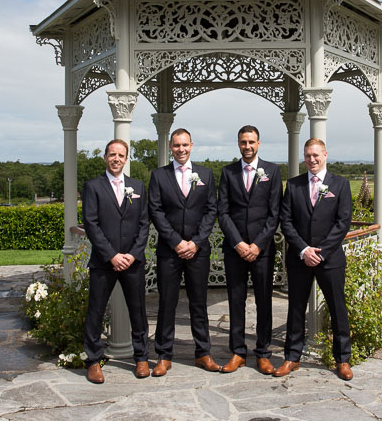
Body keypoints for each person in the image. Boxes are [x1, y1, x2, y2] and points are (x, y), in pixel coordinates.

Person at [275, 137, 354, 380]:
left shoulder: (339, 184)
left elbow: (343, 222)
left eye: (316, 155)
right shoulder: (294, 185)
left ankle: (343, 360)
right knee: (295, 308)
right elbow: (286, 221)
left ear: (325, 155)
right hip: (299, 258)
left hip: (329, 259)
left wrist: (320, 252)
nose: (312, 160)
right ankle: (292, 357)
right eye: (308, 155)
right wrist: (303, 250)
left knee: (337, 308)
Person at [148, 128, 220, 375]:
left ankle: (203, 353)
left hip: (198, 251)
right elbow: (156, 211)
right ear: (170, 147)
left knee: (199, 303)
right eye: (176, 145)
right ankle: (163, 355)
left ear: (192, 146)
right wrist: (176, 242)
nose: (181, 149)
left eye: (185, 145)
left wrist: (196, 242)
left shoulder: (206, 175)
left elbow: (212, 210)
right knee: (167, 302)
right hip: (170, 251)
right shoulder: (159, 176)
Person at [81, 139, 151, 384]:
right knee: (96, 312)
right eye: (112, 155)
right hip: (104, 261)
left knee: (139, 311)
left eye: (121, 155)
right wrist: (111, 255)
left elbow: (144, 224)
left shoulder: (137, 186)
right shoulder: (93, 186)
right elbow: (91, 224)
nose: (116, 159)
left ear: (126, 158)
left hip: (133, 261)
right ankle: (94, 361)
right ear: (105, 157)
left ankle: (141, 357)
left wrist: (132, 254)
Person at [216, 125, 282, 374]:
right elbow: (223, 212)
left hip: (262, 250)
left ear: (259, 143)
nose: (247, 146)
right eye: (243, 142)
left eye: (251, 142)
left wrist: (257, 245)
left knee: (264, 301)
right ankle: (238, 352)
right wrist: (239, 243)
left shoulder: (272, 171)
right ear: (238, 144)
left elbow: (274, 213)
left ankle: (263, 353)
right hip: (235, 249)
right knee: (236, 301)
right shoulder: (228, 172)